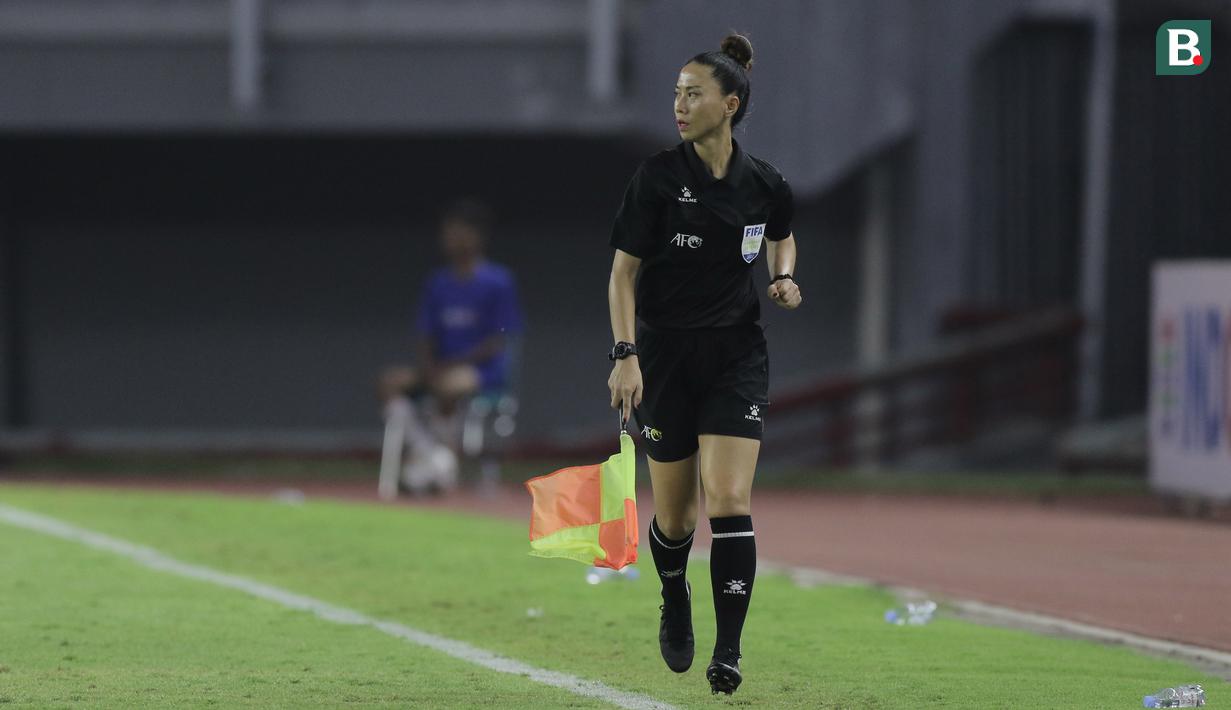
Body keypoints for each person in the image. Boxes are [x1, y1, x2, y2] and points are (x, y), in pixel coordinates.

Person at [605, 34, 801, 695]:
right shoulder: (656, 179)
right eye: (675, 95)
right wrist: (625, 356)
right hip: (662, 356)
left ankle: (729, 651)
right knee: (677, 521)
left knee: (728, 499)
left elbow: (780, 231)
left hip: (735, 355)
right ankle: (673, 594)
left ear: (730, 103)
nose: (680, 106)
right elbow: (621, 277)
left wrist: (782, 276)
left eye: (693, 94)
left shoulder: (764, 182)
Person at [379, 199, 523, 496]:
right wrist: (430, 364)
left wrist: (456, 363)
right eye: (447, 233)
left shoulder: (498, 281)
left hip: (481, 371)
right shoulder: (437, 282)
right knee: (390, 383)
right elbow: (425, 332)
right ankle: (433, 456)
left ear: (475, 237)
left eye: (457, 232)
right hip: (439, 367)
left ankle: (436, 465)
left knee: (448, 387)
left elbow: (499, 338)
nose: (450, 239)